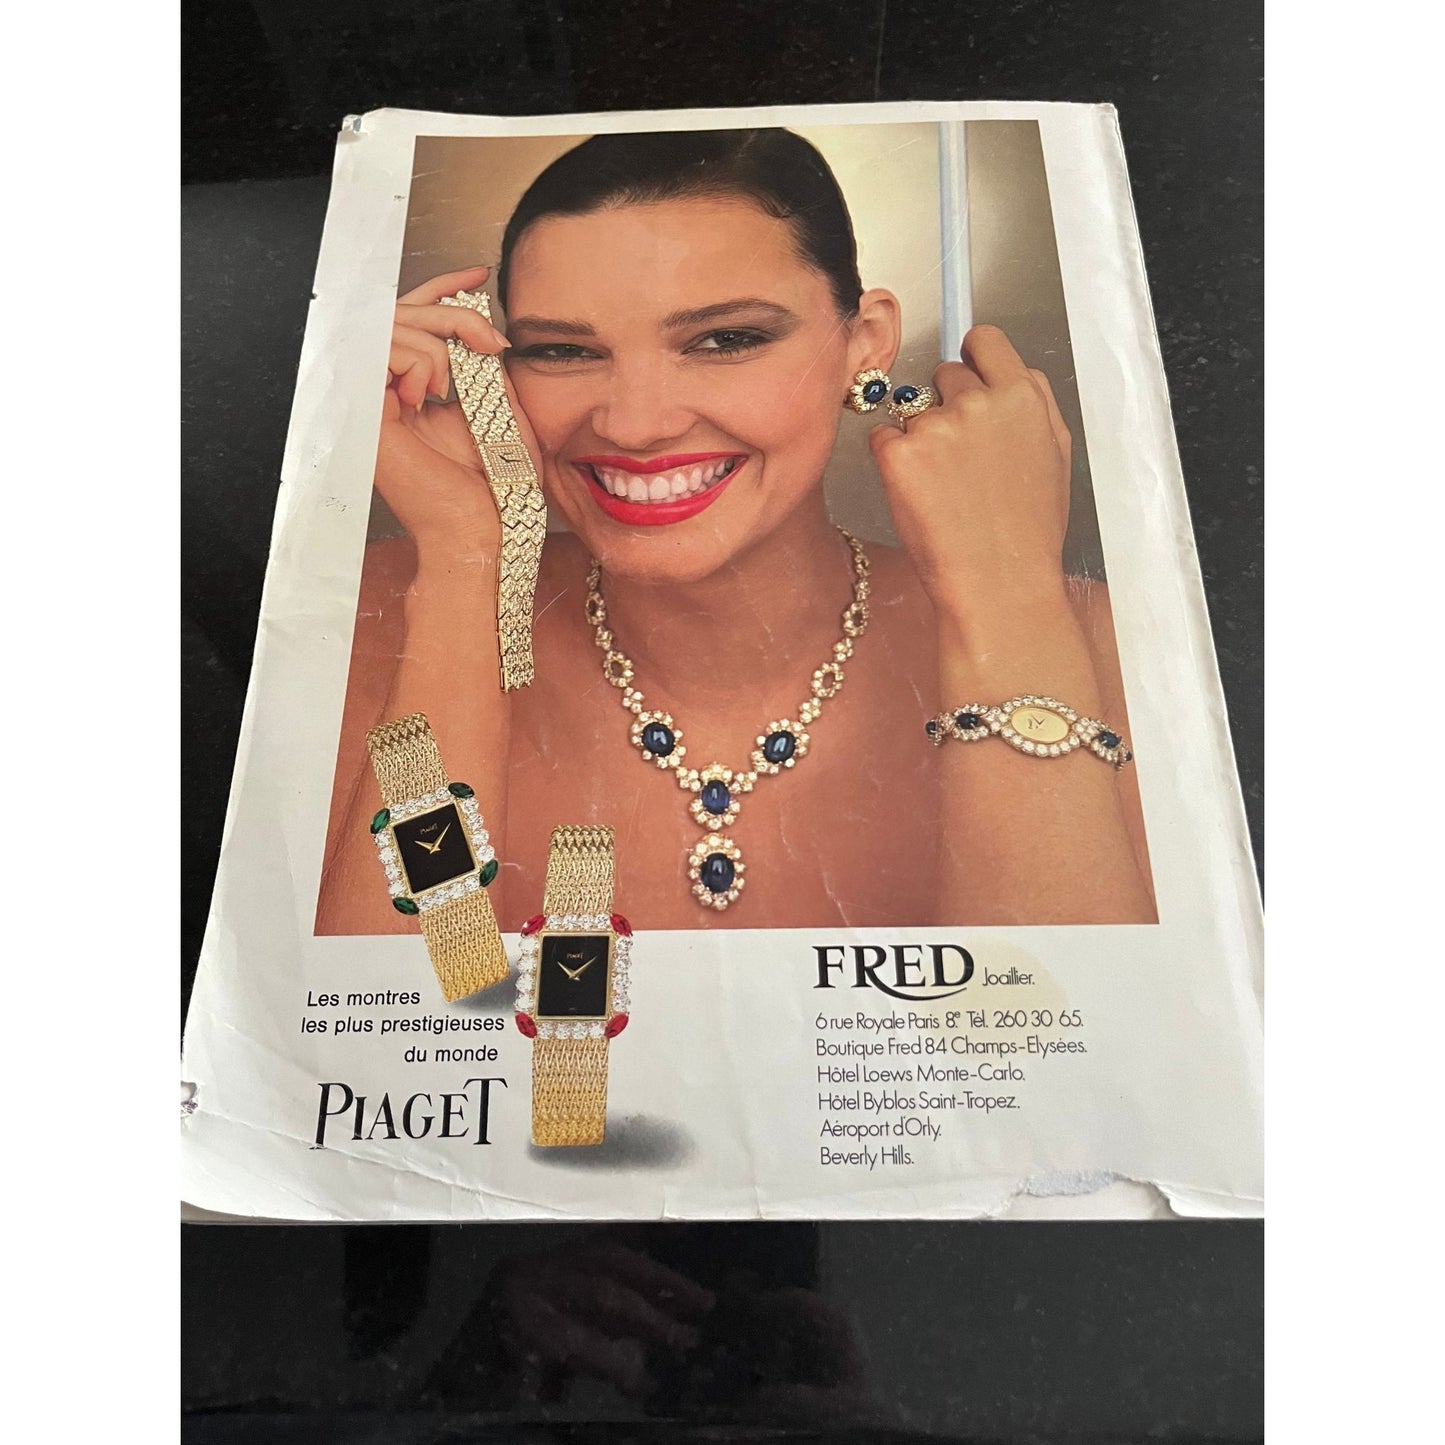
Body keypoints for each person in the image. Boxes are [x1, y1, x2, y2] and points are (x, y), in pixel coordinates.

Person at [318, 128, 1155, 933]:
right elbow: (409, 1002)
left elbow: (1050, 1018)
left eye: (724, 339)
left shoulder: (1091, 639)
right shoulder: (389, 613)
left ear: (864, 344)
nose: (634, 424)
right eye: (564, 352)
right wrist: (465, 563)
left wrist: (1004, 602)